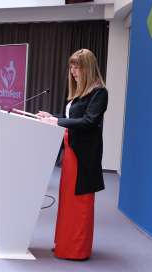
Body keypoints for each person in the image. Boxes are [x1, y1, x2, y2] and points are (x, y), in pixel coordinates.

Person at [37, 49, 108, 261]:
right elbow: (72, 117)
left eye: (77, 67)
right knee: (68, 202)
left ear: (89, 68)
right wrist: (52, 116)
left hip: (83, 157)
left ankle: (76, 249)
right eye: (72, 67)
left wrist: (57, 122)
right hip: (71, 153)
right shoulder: (80, 92)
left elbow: (88, 122)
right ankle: (65, 244)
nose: (73, 71)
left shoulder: (99, 92)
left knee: (79, 203)